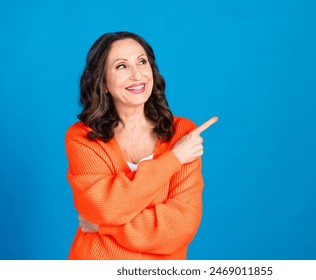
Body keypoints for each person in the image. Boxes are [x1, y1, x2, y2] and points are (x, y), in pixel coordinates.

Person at [65, 31, 217, 260]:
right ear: (103, 82)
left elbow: (179, 227)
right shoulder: (82, 137)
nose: (137, 75)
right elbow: (106, 208)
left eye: (142, 62)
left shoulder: (182, 133)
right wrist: (174, 159)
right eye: (121, 66)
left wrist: (107, 227)